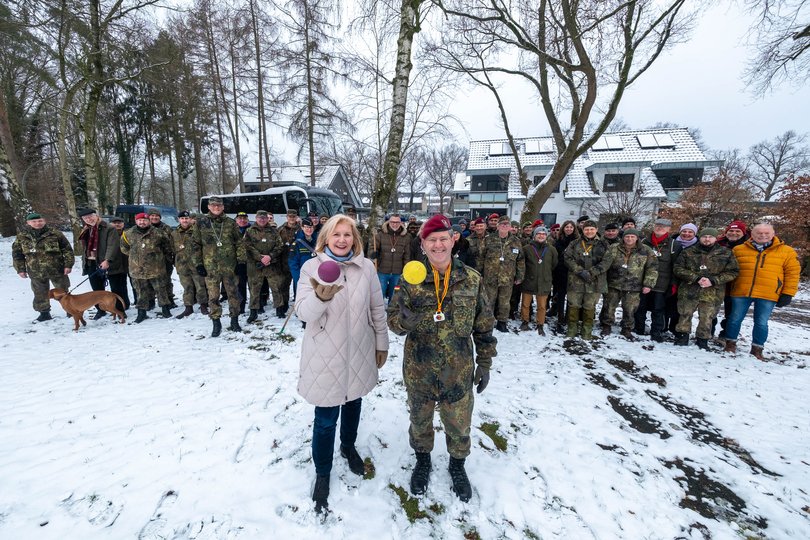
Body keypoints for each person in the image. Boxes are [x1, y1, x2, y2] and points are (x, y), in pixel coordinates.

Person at [388, 214, 497, 502]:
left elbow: (484, 325)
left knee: (459, 424)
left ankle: (457, 466)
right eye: (431, 240)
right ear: (422, 245)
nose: (438, 245)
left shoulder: (472, 280)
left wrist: (485, 363)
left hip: (458, 370)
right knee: (420, 420)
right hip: (419, 369)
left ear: (453, 240)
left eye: (443, 239)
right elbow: (393, 322)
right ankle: (422, 461)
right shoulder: (409, 279)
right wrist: (404, 321)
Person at [295, 215, 389, 513]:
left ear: (355, 239)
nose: (342, 239)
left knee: (353, 404)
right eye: (336, 234)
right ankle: (323, 472)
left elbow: (377, 308)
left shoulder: (367, 268)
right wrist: (321, 297)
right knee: (325, 419)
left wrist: (382, 342)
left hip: (359, 350)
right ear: (326, 237)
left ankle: (348, 447)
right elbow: (303, 313)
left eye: (347, 234)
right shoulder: (312, 267)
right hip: (325, 355)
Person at [723, 222, 800, 359]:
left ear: (773, 234)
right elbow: (730, 270)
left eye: (766, 233)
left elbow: (792, 273)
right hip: (742, 290)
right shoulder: (739, 249)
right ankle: (730, 344)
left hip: (768, 293)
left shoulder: (786, 251)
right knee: (734, 319)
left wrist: (788, 293)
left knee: (761, 322)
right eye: (759, 233)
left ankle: (757, 348)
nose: (763, 236)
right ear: (752, 235)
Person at [672, 228, 739, 349]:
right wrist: (695, 278)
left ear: (715, 238)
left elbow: (733, 272)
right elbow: (678, 268)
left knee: (707, 316)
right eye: (704, 236)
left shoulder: (726, 253)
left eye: (710, 236)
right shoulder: (688, 251)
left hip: (713, 291)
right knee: (685, 313)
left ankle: (702, 339)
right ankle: (682, 336)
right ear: (700, 237)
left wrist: (713, 281)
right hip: (689, 289)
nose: (707, 239)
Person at [191, 197, 246, 337]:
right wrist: (198, 264)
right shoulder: (201, 222)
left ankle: (234, 320)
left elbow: (239, 243)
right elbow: (195, 244)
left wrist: (241, 262)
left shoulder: (230, 223)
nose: (216, 207)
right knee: (213, 296)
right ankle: (216, 322)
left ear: (223, 207)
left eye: (219, 205)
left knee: (233, 294)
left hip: (230, 266)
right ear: (209, 207)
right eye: (213, 205)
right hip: (210, 267)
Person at [12, 212, 74, 321]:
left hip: (57, 269)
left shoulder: (55, 233)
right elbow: (17, 254)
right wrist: (20, 269)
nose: (37, 223)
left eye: (40, 221)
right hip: (35, 270)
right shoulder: (22, 236)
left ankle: (70, 310)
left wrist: (68, 265)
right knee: (39, 293)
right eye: (34, 221)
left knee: (63, 291)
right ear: (28, 223)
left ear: (44, 221)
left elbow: (67, 250)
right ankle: (44, 313)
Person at [600, 228, 658, 339]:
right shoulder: (614, 248)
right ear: (623, 238)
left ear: (637, 238)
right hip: (614, 283)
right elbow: (605, 264)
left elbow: (652, 268)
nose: (629, 239)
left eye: (632, 237)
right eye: (627, 236)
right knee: (609, 306)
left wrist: (648, 284)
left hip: (634, 285)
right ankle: (606, 325)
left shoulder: (646, 250)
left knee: (630, 309)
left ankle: (627, 328)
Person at [120, 213, 174, 322]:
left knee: (161, 289)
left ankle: (165, 309)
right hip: (137, 269)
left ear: (149, 221)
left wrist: (156, 256)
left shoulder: (158, 233)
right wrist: (136, 256)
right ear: (136, 221)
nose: (142, 222)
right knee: (140, 291)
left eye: (145, 220)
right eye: (140, 220)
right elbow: (124, 248)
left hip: (156, 268)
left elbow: (167, 247)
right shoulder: (128, 233)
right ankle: (141, 312)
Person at [634, 218, 681, 342]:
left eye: (663, 226)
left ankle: (657, 332)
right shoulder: (643, 242)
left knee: (658, 309)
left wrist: (674, 284)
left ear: (669, 229)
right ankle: (638, 329)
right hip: (642, 282)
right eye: (658, 225)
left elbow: (676, 267)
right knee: (640, 307)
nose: (660, 228)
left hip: (662, 284)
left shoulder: (674, 245)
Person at [563, 220, 611, 339]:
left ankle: (587, 330)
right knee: (573, 305)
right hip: (576, 281)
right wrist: (579, 271)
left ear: (596, 230)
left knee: (589, 306)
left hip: (594, 282)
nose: (589, 231)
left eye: (591, 229)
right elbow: (567, 258)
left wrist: (591, 272)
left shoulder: (604, 244)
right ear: (583, 230)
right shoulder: (575, 243)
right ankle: (572, 329)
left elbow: (607, 261)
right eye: (586, 229)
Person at [77, 208, 126, 318]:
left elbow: (112, 245)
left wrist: (107, 260)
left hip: (109, 262)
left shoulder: (109, 228)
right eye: (85, 218)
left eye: (90, 216)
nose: (89, 219)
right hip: (91, 262)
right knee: (97, 289)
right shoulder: (85, 229)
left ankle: (119, 310)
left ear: (96, 215)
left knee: (116, 288)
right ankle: (101, 309)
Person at [481, 216, 525, 332]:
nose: (504, 226)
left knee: (504, 302)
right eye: (502, 224)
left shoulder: (516, 242)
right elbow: (481, 257)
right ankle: (487, 322)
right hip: (490, 277)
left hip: (507, 278)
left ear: (510, 227)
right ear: (498, 226)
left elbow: (520, 260)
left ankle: (502, 322)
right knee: (489, 301)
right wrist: (479, 273)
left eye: (507, 224)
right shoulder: (488, 239)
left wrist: (520, 276)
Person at [244, 210, 285, 322]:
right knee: (254, 289)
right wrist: (260, 257)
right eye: (260, 218)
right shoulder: (249, 231)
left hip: (271, 265)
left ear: (267, 219)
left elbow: (280, 246)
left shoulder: (273, 231)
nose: (262, 220)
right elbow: (247, 246)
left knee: (276, 287)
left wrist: (269, 257)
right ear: (256, 218)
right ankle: (253, 311)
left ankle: (279, 309)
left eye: (264, 218)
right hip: (255, 265)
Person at [712, 220, 750, 337]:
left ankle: (726, 335)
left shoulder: (749, 245)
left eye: (738, 231)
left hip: (737, 285)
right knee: (711, 311)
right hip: (716, 283)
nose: (734, 233)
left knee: (732, 314)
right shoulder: (718, 243)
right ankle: (707, 333)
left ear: (743, 232)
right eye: (731, 230)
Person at [519, 226, 558, 335]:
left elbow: (554, 264)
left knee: (542, 305)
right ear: (534, 235)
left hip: (544, 281)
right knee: (525, 304)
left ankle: (540, 323)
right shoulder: (527, 248)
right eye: (538, 234)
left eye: (543, 234)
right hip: (529, 280)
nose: (541, 236)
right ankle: (525, 321)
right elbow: (522, 263)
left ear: (546, 236)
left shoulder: (551, 249)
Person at [172, 211, 208, 318]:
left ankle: (203, 305)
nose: (184, 220)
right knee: (187, 287)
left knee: (200, 286)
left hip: (196, 264)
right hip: (182, 265)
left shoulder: (197, 231)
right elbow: (171, 248)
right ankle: (188, 307)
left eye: (186, 218)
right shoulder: (174, 234)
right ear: (179, 220)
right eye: (182, 218)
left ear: (190, 219)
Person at [368, 213, 411, 303]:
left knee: (395, 294)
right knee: (380, 293)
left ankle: (392, 313)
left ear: (401, 223)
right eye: (392, 222)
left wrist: (406, 269)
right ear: (388, 222)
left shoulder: (406, 237)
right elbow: (372, 247)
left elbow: (407, 254)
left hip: (397, 272)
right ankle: (380, 312)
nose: (394, 224)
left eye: (397, 222)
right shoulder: (380, 234)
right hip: (382, 270)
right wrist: (373, 254)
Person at [550, 220, 578, 333]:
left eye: (571, 227)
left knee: (571, 298)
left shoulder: (577, 242)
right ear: (563, 228)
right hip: (560, 273)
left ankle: (568, 318)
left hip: (573, 273)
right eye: (567, 227)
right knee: (559, 296)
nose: (569, 229)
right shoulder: (558, 241)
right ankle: (560, 318)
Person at [147, 208, 176, 308]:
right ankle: (150, 301)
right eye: (152, 216)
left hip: (165, 259)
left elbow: (172, 242)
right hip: (149, 260)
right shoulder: (145, 228)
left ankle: (169, 299)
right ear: (149, 217)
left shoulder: (167, 228)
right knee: (150, 281)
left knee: (166, 280)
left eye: (157, 216)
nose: (154, 218)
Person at [277, 209, 299, 310]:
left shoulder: (300, 229)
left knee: (297, 283)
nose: (292, 218)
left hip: (296, 260)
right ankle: (284, 303)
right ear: (287, 217)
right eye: (290, 216)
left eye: (294, 216)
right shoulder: (281, 229)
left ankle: (298, 302)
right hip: (284, 260)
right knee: (284, 284)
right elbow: (277, 244)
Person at [109, 216, 132, 309]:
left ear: (123, 224)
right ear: (110, 224)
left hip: (129, 263)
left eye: (119, 222)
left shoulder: (128, 234)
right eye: (115, 223)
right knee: (116, 287)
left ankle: (135, 303)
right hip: (114, 264)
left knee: (133, 285)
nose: (117, 224)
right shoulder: (108, 234)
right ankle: (119, 305)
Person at [234, 212, 251, 315]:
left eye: (244, 218)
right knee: (240, 286)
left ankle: (256, 306)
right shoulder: (232, 230)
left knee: (253, 285)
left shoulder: (252, 230)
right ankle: (241, 306)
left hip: (251, 262)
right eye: (240, 218)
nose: (242, 220)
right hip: (238, 262)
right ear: (236, 220)